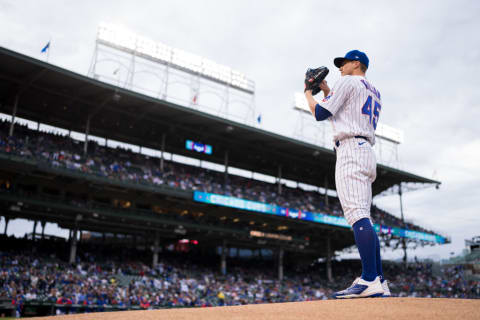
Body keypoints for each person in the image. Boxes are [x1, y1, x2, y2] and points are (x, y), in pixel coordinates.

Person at [304, 50, 391, 298]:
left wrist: (309, 93)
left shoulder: (348, 81)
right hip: (365, 150)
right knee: (365, 217)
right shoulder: (374, 90)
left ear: (357, 64)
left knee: (357, 216)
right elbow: (343, 110)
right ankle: (379, 280)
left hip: (350, 150)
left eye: (344, 63)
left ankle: (370, 279)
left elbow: (321, 113)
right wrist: (326, 88)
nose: (340, 67)